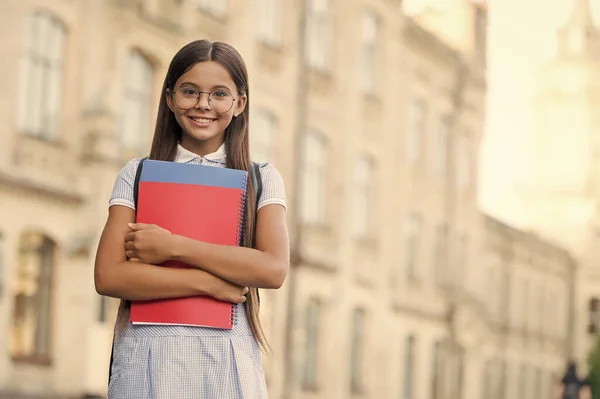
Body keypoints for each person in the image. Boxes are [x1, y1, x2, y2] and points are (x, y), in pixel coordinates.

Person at [93, 39, 290, 398]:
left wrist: (174, 246)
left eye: (219, 94)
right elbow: (108, 275)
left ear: (239, 103)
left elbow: (272, 268)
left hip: (228, 363)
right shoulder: (136, 174)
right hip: (148, 359)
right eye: (189, 91)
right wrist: (206, 283)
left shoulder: (261, 178)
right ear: (169, 98)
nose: (203, 105)